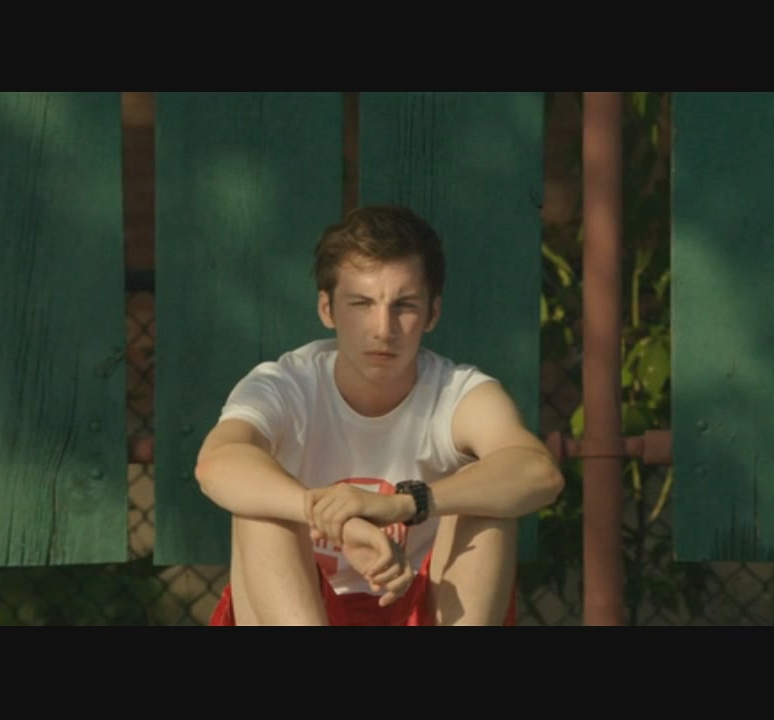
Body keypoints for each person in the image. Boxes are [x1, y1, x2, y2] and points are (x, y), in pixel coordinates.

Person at [195, 205, 564, 626]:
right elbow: (217, 464)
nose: (383, 328)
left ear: (432, 313)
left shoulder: (459, 392)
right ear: (327, 309)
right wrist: (337, 520)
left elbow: (538, 473)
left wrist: (405, 504)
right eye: (361, 303)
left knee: (486, 497)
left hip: (422, 605)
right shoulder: (285, 385)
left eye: (404, 305)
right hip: (298, 609)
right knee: (261, 505)